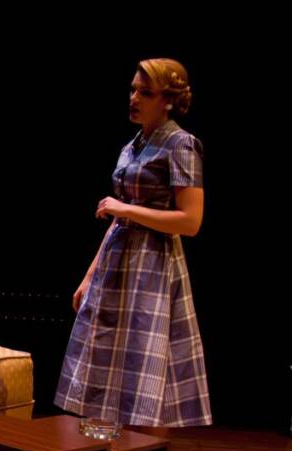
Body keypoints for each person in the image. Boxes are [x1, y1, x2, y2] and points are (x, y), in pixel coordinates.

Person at [56, 58, 211, 428]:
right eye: (132, 90)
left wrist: (125, 208)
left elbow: (190, 221)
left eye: (145, 92)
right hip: (117, 260)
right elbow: (118, 219)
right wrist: (89, 276)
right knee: (105, 357)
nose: (134, 98)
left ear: (169, 100)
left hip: (153, 265)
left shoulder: (180, 144)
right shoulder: (132, 146)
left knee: (142, 360)